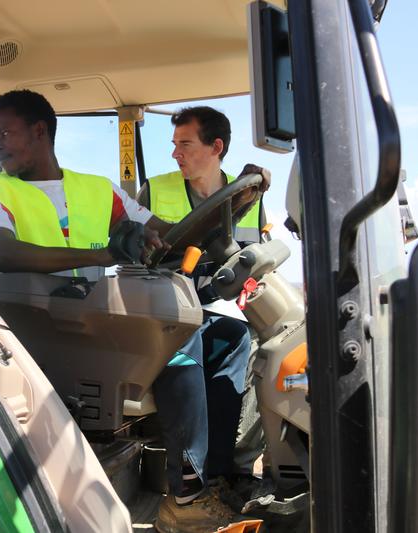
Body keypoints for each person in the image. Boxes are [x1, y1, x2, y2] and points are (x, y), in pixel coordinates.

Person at [0, 90, 255, 532]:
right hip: (46, 326)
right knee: (183, 334)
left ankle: (210, 474)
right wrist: (105, 254)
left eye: (6, 132)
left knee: (230, 337)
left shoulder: (98, 190)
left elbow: (163, 231)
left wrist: (235, 204)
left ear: (39, 131)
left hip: (98, 315)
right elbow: (1, 252)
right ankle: (184, 496)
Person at [137, 106, 270, 497]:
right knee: (193, 337)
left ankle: (224, 470)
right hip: (167, 306)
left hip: (221, 305)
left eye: (185, 144)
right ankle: (191, 484)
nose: (176, 153)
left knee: (239, 339)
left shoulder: (246, 191)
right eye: (174, 144)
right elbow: (143, 255)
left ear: (216, 147)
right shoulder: (156, 189)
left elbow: (253, 253)